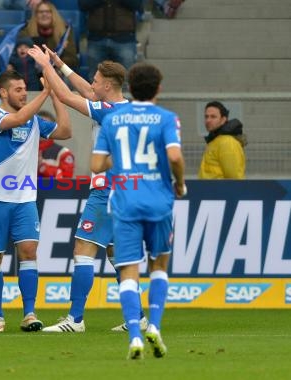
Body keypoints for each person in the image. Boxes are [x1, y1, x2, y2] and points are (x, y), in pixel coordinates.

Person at [28, 45, 147, 333]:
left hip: (108, 192)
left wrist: (46, 66)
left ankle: (75, 319)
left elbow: (70, 97)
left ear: (107, 85)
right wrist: (61, 66)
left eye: (95, 80)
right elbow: (88, 92)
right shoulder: (127, 108)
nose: (91, 84)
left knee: (83, 249)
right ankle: (138, 317)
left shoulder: (109, 112)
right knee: (117, 255)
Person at [91, 62, 186, 359]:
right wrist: (180, 183)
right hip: (158, 201)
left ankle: (134, 335)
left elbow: (96, 165)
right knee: (159, 266)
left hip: (125, 202)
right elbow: (174, 156)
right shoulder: (167, 118)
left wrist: (120, 160)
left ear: (130, 87)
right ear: (158, 88)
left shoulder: (113, 119)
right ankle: (154, 326)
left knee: (128, 269)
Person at [0, 70, 71, 333]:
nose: (23, 93)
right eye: (18, 89)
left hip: (25, 199)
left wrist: (56, 97)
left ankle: (29, 313)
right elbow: (18, 117)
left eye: (25, 89)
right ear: (3, 92)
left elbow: (65, 131)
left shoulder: (33, 122)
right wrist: (45, 91)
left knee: (29, 252)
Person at [78, 0, 143, 79]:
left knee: (126, 80)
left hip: (124, 40)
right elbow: (83, 5)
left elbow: (137, 4)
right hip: (96, 39)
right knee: (95, 81)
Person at [18, 1, 78, 70]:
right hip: (34, 70)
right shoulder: (26, 31)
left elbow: (73, 59)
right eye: (41, 12)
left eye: (48, 11)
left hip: (58, 70)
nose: (44, 14)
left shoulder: (64, 31)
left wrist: (55, 63)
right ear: (36, 15)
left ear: (53, 14)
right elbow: (22, 57)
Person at [198, 101, 246, 179]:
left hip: (219, 191)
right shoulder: (216, 141)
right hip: (211, 190)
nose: (208, 120)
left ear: (223, 120)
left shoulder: (227, 142)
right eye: (206, 117)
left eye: (213, 117)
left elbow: (234, 180)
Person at [37, 110, 74, 179]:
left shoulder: (63, 153)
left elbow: (66, 179)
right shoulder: (23, 149)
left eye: (47, 125)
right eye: (40, 125)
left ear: (54, 129)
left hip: (52, 189)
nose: (42, 129)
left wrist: (42, 167)